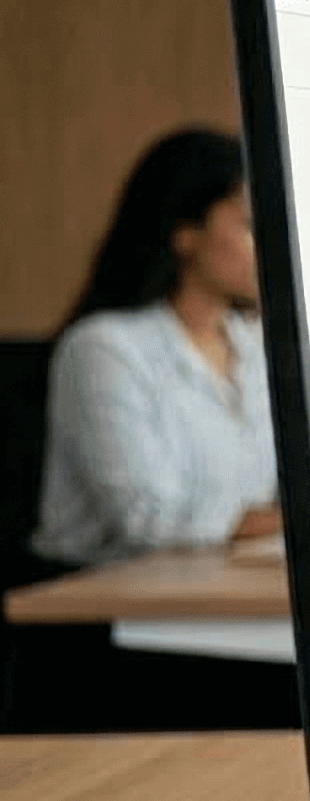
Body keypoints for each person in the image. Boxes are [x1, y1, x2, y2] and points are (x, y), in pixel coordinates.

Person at [33, 128, 280, 568]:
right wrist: (289, 521)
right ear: (185, 232)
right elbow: (146, 517)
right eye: (248, 224)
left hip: (217, 582)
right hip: (102, 611)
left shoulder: (256, 351)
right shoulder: (105, 350)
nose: (269, 246)